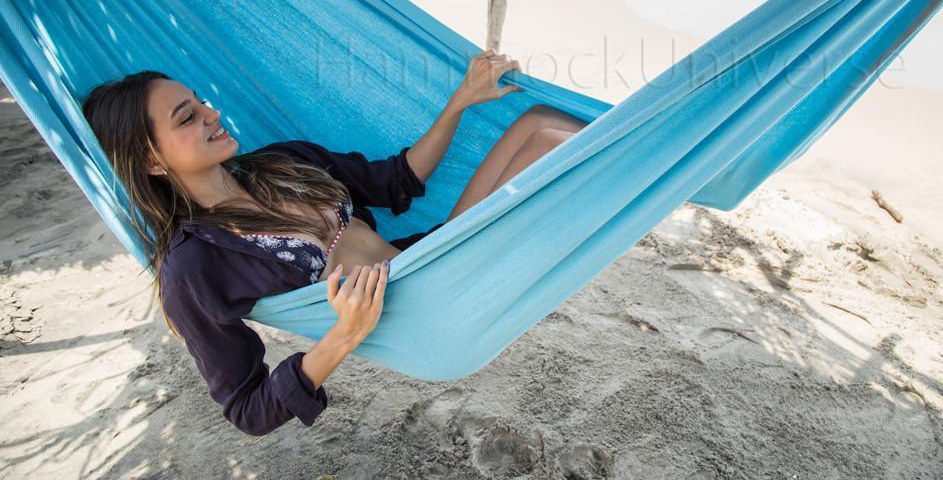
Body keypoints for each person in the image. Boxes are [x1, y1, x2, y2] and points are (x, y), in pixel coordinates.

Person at [81, 47, 588, 436]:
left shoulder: (281, 162)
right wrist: (344, 335)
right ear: (151, 162)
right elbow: (247, 409)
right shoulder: (194, 265)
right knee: (554, 144)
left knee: (539, 121)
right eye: (186, 118)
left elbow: (397, 179)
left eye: (200, 103)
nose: (211, 114)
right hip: (431, 312)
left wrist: (461, 100)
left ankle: (657, 160)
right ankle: (663, 164)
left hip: (437, 258)